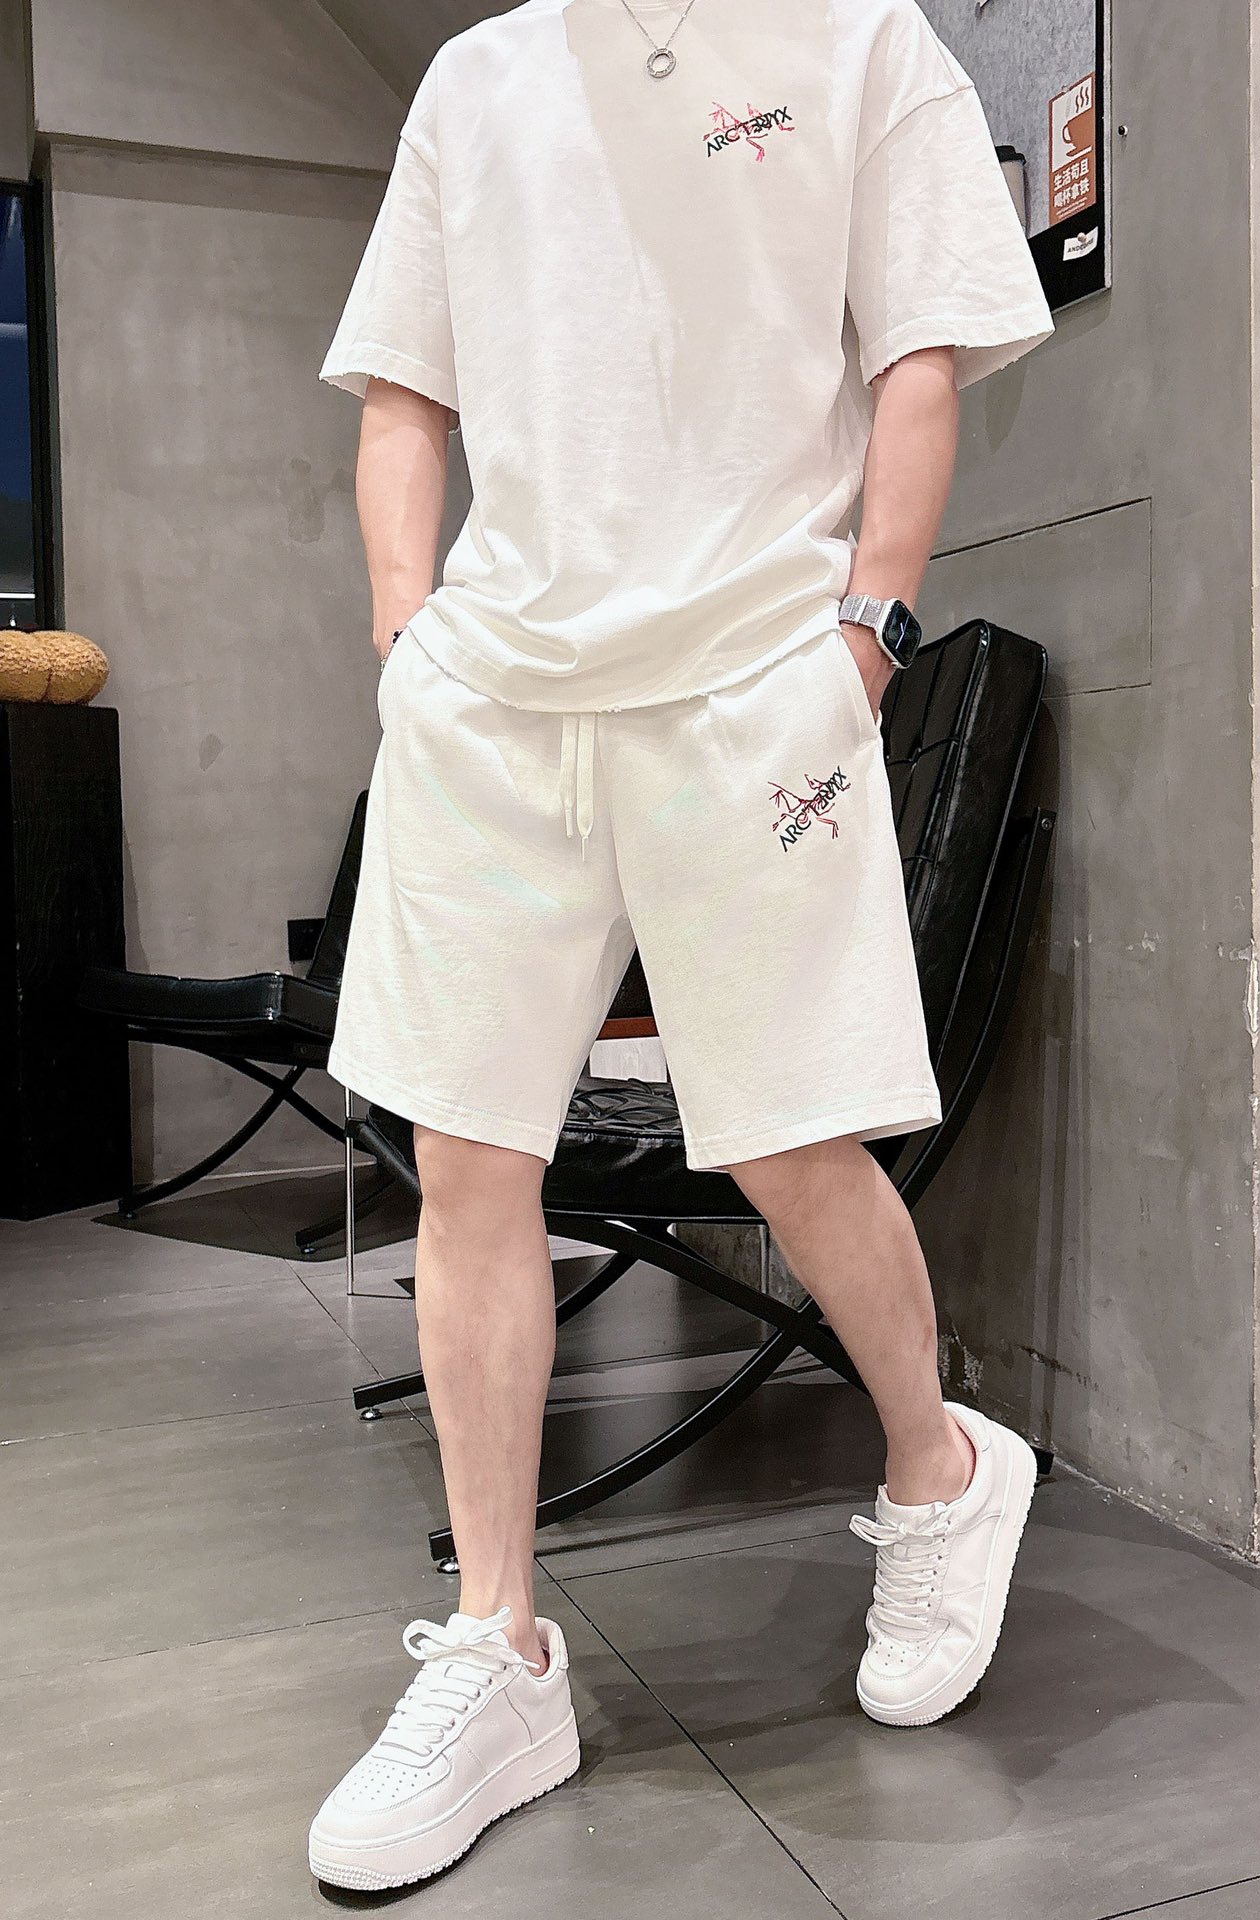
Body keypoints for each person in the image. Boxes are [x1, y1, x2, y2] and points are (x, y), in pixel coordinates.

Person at [307, 0, 1053, 1892]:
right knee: (469, 1156)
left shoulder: (863, 43)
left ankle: (942, 1467)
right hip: (493, 705)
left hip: (752, 688)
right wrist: (405, 645)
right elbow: (404, 387)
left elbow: (922, 352)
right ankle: (501, 1649)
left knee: (795, 1134)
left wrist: (870, 636)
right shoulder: (475, 77)